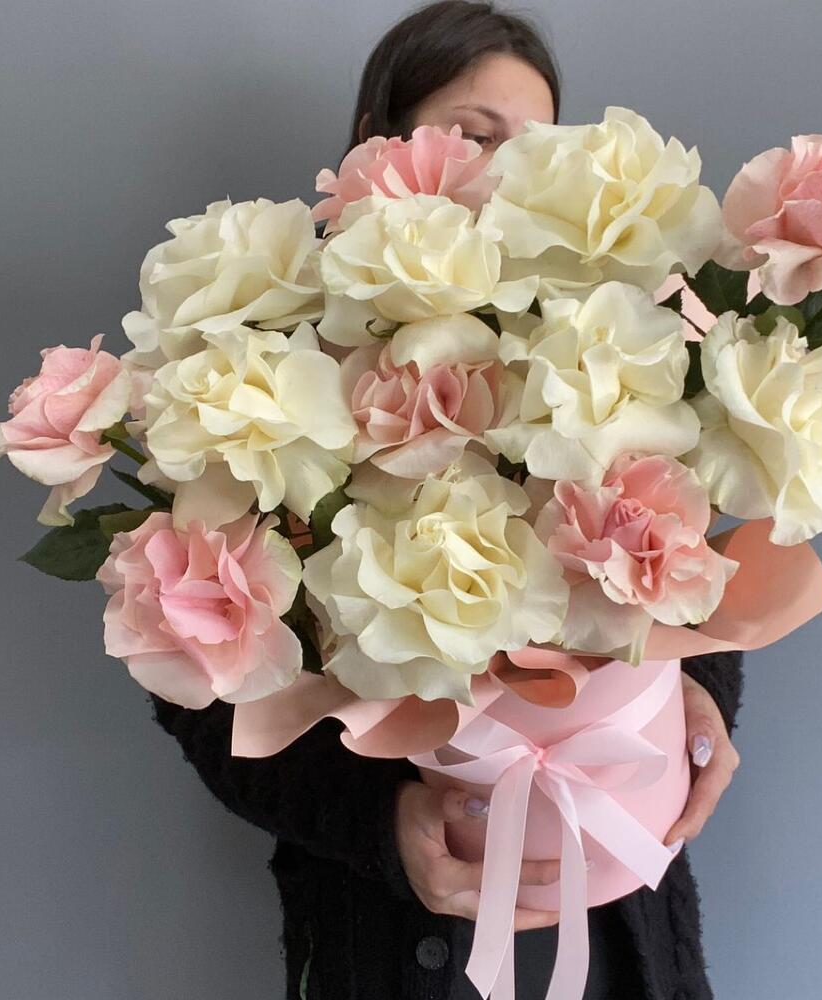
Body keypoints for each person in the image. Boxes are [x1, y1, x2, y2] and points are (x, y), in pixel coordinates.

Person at [151, 3, 745, 998]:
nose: (508, 170)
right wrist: (379, 825)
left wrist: (699, 705)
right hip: (394, 937)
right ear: (379, 140)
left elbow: (699, 564)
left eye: (537, 143)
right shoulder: (271, 365)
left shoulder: (615, 333)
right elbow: (200, 689)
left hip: (620, 917)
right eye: (476, 134)